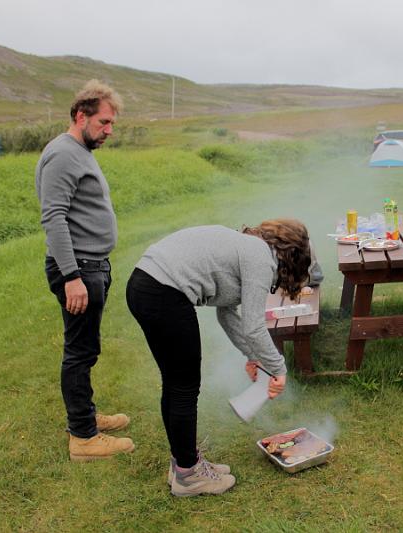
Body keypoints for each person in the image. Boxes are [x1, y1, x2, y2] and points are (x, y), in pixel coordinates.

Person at [126, 220, 312, 497]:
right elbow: (254, 326)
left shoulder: (249, 249)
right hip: (164, 292)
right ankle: (189, 476)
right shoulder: (261, 257)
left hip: (146, 285)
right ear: (290, 258)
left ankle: (183, 464)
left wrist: (252, 356)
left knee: (176, 383)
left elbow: (227, 314)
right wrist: (278, 368)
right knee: (184, 387)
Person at [36, 80, 135, 462]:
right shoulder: (63, 154)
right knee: (79, 352)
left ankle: (86, 416)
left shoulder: (78, 150)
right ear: (81, 115)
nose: (109, 131)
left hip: (91, 265)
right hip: (78, 268)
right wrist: (72, 276)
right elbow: (54, 217)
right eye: (105, 122)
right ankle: (83, 437)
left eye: (112, 124)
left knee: (86, 349)